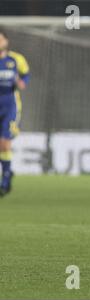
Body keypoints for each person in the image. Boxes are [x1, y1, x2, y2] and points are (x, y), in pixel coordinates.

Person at [0, 30, 30, 197]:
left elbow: (25, 76)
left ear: (6, 41)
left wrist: (21, 82)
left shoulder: (16, 59)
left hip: (9, 106)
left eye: (0, 39)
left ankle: (5, 180)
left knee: (4, 142)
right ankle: (7, 170)